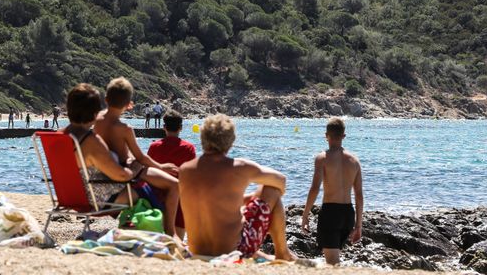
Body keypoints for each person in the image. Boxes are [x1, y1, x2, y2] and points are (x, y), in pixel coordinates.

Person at [179, 114, 295, 260]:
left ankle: (264, 254)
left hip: (197, 250)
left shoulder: (185, 170)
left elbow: (212, 201)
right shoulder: (239, 167)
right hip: (234, 250)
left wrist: (240, 199)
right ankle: (282, 252)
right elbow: (281, 181)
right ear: (231, 140)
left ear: (202, 138)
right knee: (271, 190)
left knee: (242, 207)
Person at [93, 77, 181, 236]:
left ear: (106, 99)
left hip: (104, 176)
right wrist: (162, 167)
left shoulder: (97, 120)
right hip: (125, 173)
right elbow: (141, 157)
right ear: (129, 105)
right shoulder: (124, 128)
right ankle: (170, 232)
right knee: (174, 184)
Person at [60, 83, 136, 209]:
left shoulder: (58, 136)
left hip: (68, 197)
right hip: (94, 201)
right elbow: (122, 176)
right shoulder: (91, 141)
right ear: (95, 112)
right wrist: (135, 169)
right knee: (146, 190)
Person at [301, 117, 363, 265]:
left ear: (326, 136)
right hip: (348, 214)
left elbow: (315, 188)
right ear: (344, 136)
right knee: (335, 260)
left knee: (332, 263)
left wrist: (305, 214)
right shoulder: (355, 161)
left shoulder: (322, 158)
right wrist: (358, 225)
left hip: (330, 213)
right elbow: (359, 195)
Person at [148, 110, 197, 238]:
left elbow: (148, 170)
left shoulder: (154, 146)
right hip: (180, 196)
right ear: (180, 128)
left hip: (157, 195)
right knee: (178, 237)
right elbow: (191, 175)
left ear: (164, 127)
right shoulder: (188, 148)